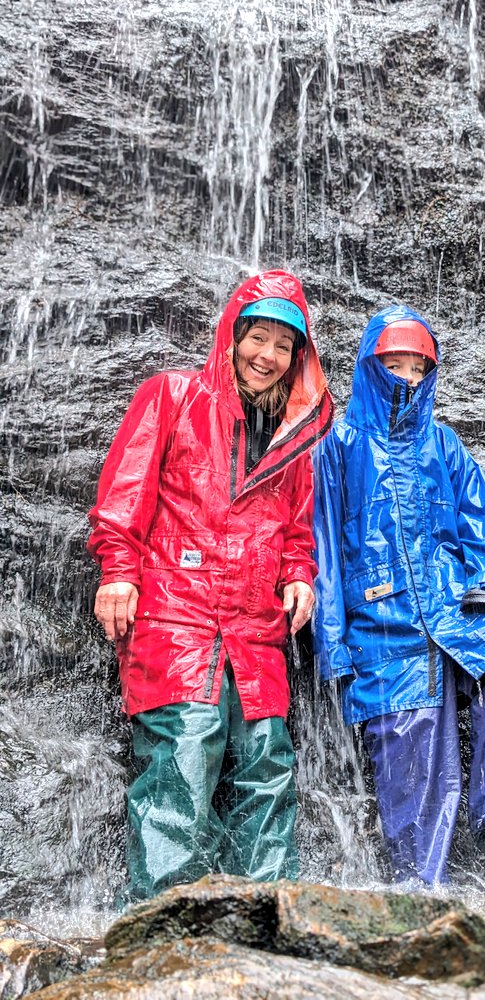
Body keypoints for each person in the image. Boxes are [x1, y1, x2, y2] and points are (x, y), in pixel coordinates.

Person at [87, 269, 334, 899]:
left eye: (285, 346)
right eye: (260, 338)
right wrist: (118, 571)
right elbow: (124, 496)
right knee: (183, 761)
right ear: (232, 335)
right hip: (177, 618)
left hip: (256, 631)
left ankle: (272, 919)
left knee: (268, 767)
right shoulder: (171, 396)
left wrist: (301, 577)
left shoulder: (295, 442)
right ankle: (163, 926)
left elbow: (298, 533)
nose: (269, 356)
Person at [312, 305, 485, 886]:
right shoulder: (339, 446)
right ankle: (420, 890)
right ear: (371, 367)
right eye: (396, 365)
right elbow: (320, 551)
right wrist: (333, 647)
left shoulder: (444, 446)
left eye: (420, 367)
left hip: (453, 612)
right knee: (419, 758)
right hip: (384, 628)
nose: (409, 378)